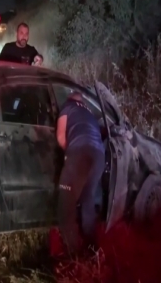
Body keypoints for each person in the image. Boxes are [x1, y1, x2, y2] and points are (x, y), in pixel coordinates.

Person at [56, 91, 105, 254]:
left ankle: (72, 252)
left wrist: (68, 155)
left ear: (70, 98)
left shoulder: (67, 107)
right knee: (87, 198)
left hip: (79, 153)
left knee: (66, 201)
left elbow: (61, 137)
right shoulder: (89, 113)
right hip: (98, 156)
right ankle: (92, 250)